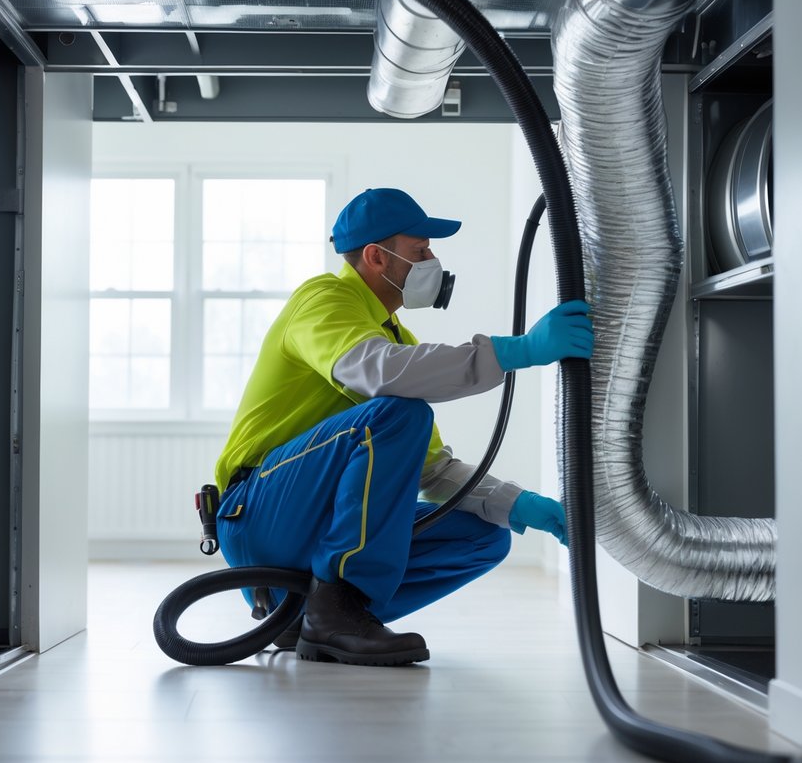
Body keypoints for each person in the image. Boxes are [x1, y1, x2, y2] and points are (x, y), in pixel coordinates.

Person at [212, 187, 593, 667]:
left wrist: (520, 505)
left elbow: (432, 470)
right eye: (420, 251)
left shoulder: (396, 338)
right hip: (260, 514)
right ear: (376, 256)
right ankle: (337, 611)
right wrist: (516, 351)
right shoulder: (324, 300)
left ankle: (316, 616)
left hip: (314, 528)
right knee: (402, 413)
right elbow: (381, 371)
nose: (433, 260)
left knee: (484, 534)